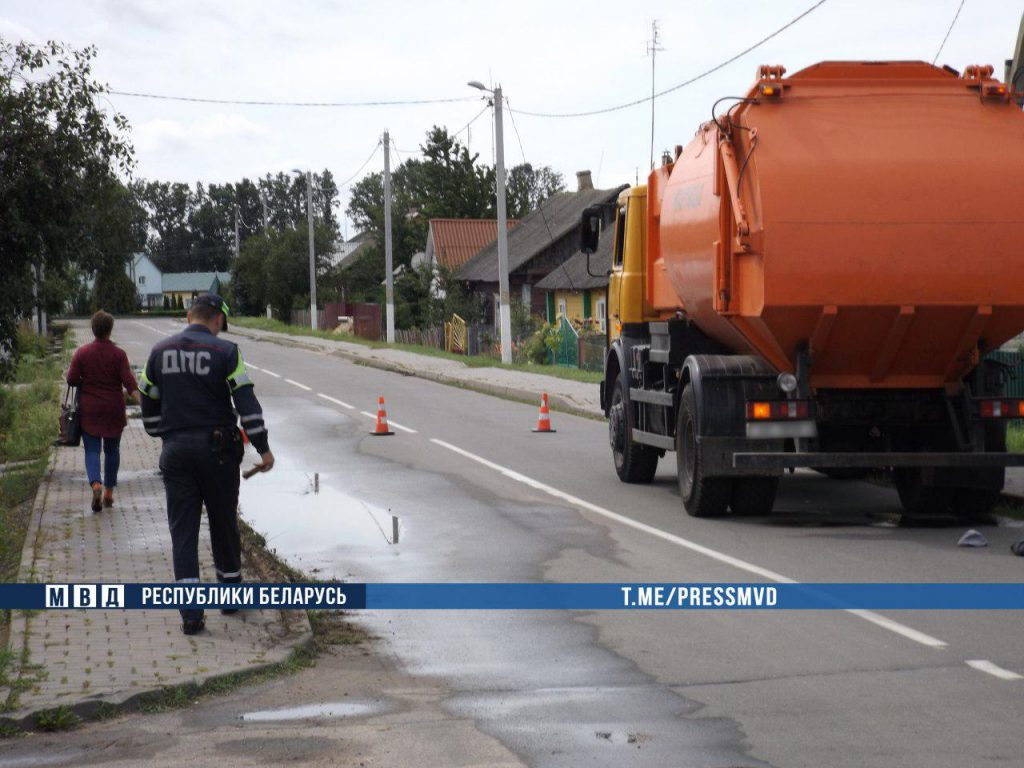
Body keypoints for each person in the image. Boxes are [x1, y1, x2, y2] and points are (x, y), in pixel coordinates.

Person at [139, 294, 274, 635]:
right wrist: (263, 448)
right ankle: (229, 596)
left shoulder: (158, 352)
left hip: (175, 453)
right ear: (217, 320)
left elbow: (147, 397)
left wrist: (161, 433)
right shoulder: (227, 352)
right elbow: (246, 402)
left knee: (183, 533)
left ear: (188, 315)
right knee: (223, 522)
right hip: (218, 453)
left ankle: (191, 615)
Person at [66, 310, 139, 513]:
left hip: (90, 410)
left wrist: (86, 381)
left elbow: (71, 379)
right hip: (113, 409)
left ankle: (95, 484)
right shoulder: (119, 355)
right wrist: (143, 401)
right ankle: (108, 493)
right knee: (112, 450)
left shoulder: (82, 353)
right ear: (110, 329)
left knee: (91, 450)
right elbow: (130, 383)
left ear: (93, 329)